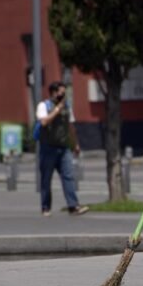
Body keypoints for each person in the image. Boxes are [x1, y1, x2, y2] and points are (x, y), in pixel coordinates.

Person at [36, 82, 88, 217]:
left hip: (64, 148)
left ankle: (73, 206)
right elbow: (44, 122)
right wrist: (57, 109)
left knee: (68, 177)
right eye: (61, 92)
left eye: (64, 92)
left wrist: (75, 144)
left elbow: (70, 126)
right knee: (46, 179)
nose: (63, 95)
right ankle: (45, 207)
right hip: (48, 148)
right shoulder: (44, 106)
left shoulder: (67, 106)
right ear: (53, 92)